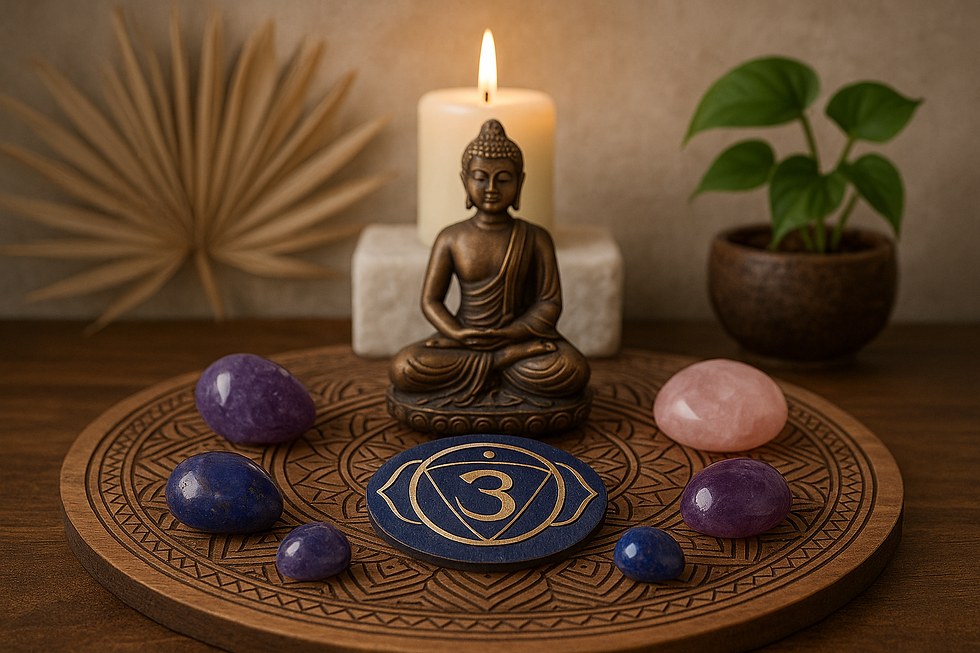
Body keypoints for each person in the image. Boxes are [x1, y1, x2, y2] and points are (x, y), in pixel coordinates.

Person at [389, 120, 589, 407]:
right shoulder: (451, 237)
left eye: (504, 179)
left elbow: (549, 303)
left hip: (518, 340)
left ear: (520, 182)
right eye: (481, 177)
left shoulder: (535, 238)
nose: (491, 188)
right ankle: (499, 364)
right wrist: (458, 332)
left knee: (571, 369)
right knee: (404, 367)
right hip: (465, 339)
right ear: (465, 181)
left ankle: (498, 361)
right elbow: (431, 300)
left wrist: (508, 334)